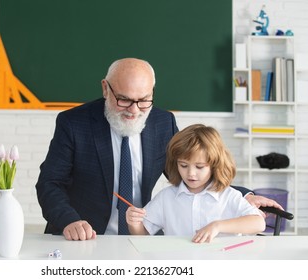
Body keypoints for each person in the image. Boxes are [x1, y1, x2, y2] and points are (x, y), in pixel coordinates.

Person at [35, 57, 279, 241]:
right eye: (124, 100)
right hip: (85, 237)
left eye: (144, 100)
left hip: (140, 234)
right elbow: (50, 183)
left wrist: (244, 195)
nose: (134, 110)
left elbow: (190, 171)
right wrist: (70, 221)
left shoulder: (163, 122)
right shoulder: (73, 123)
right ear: (105, 88)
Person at [126, 124, 266, 243]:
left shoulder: (228, 195)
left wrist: (217, 226)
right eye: (183, 165)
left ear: (214, 165)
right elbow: (142, 235)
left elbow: (259, 223)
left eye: (199, 167)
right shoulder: (166, 197)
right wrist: (134, 223)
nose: (191, 173)